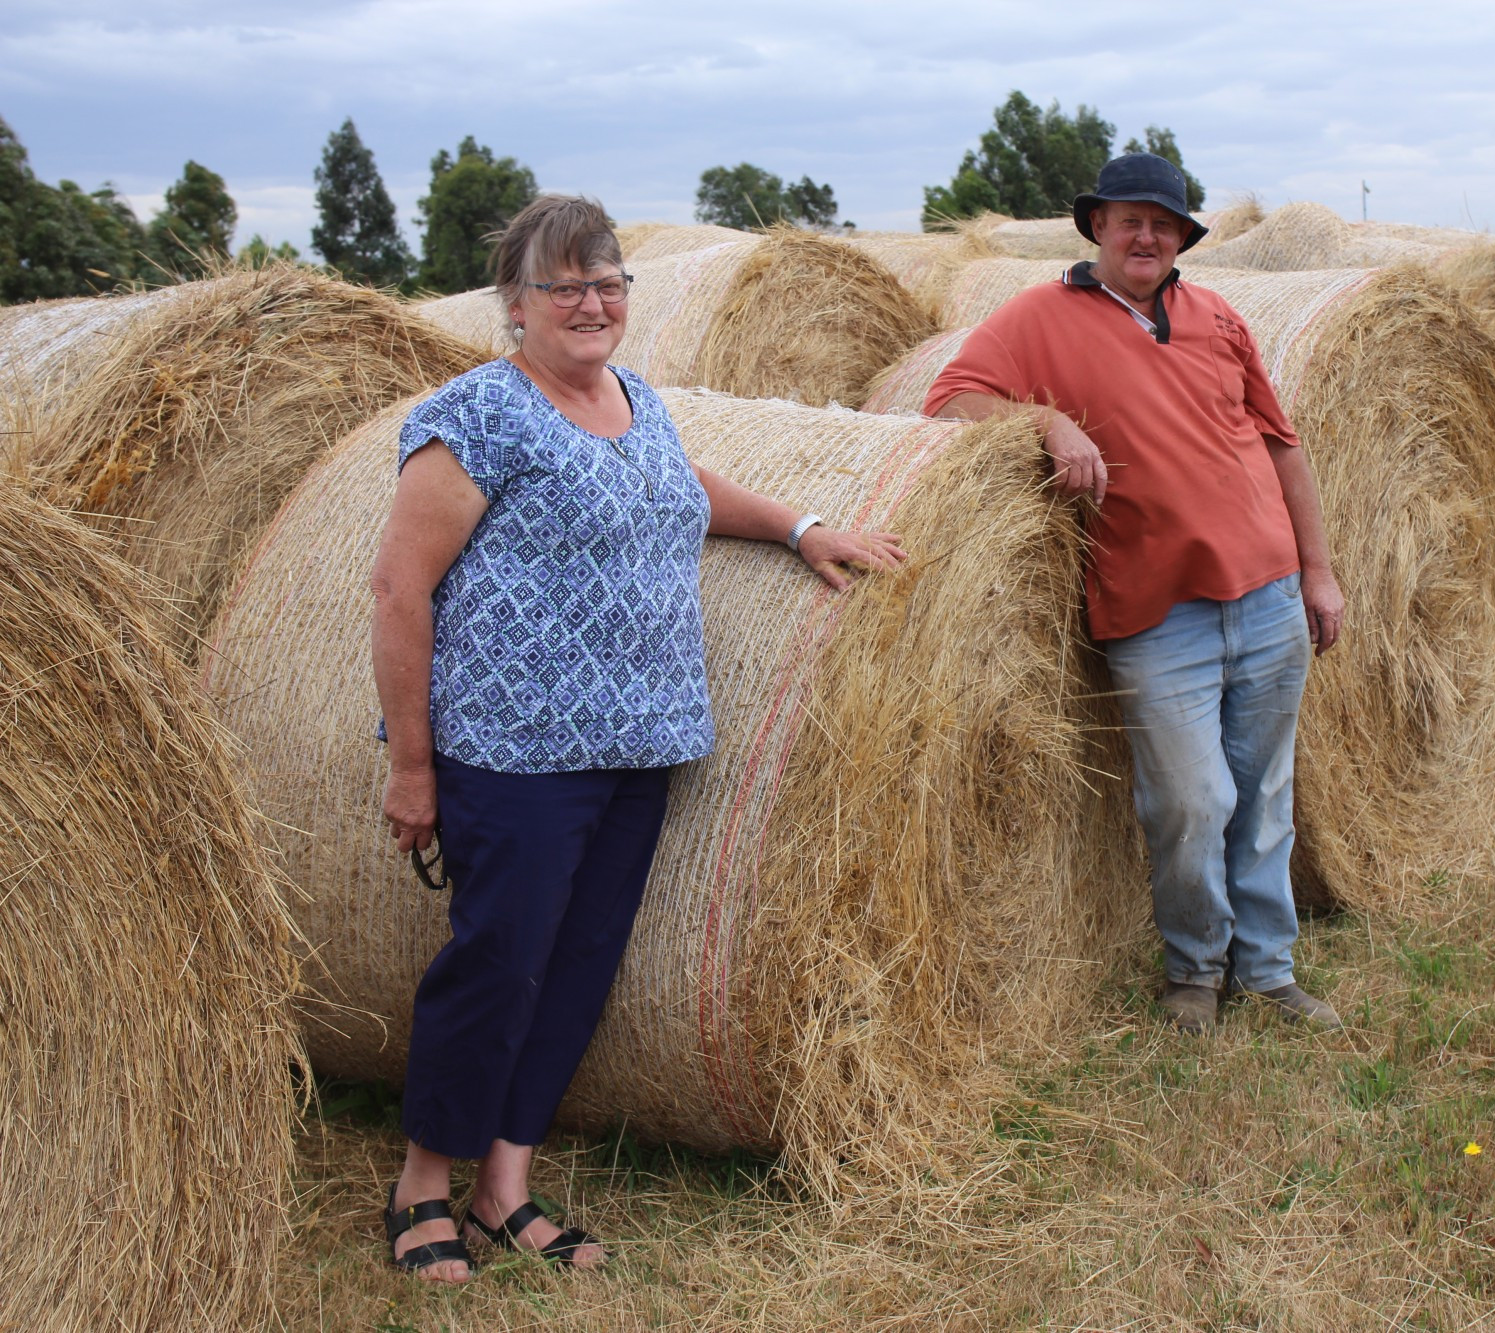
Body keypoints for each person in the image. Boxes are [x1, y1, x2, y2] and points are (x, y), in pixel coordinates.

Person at [371, 194, 904, 1282]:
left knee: (577, 966)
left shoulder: (635, 400)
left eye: (607, 281)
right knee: (497, 964)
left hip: (636, 748)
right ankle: (424, 1180)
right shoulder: (474, 416)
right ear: (513, 304)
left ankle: (503, 1185)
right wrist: (413, 765)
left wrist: (802, 527)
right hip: (513, 753)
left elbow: (680, 488)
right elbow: (397, 591)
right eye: (563, 284)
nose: (590, 300)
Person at [923, 153, 1344, 1036]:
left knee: (1265, 795)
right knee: (1190, 802)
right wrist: (1046, 419)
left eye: (1163, 222)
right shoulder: (1041, 315)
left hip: (1268, 596)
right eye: (1128, 219)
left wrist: (1318, 569)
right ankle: (1195, 970)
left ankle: (1269, 970)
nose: (1146, 235)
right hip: (1156, 614)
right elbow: (950, 400)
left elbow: (1281, 445)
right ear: (1097, 229)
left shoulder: (1218, 315)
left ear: (1184, 236)